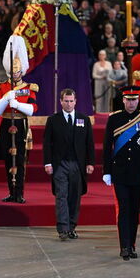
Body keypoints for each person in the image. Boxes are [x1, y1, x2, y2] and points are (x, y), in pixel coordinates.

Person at [103, 85, 140, 261]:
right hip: (120, 173)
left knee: (134, 211)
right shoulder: (114, 119)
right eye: (129, 99)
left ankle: (132, 245)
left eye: (135, 100)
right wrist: (107, 171)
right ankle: (124, 246)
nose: (132, 103)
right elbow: (106, 147)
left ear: (138, 100)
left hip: (138, 172)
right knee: (124, 209)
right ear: (123, 100)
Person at [43, 89, 95, 241]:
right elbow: (47, 144)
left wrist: (90, 162)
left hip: (78, 165)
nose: (69, 103)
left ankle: (72, 227)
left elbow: (89, 144)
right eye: (66, 101)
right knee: (61, 196)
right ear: (61, 102)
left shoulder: (83, 119)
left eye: (71, 101)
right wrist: (48, 163)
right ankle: (63, 228)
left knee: (75, 197)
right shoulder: (53, 120)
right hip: (60, 164)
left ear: (75, 101)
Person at [0, 35, 38, 203]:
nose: (15, 73)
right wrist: (5, 98)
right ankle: (11, 192)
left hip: (21, 123)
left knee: (20, 160)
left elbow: (32, 109)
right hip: (6, 123)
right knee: (7, 159)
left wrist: (16, 104)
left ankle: (19, 193)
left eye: (17, 71)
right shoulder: (2, 86)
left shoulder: (28, 88)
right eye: (13, 71)